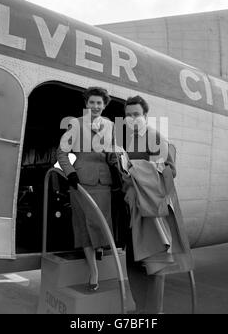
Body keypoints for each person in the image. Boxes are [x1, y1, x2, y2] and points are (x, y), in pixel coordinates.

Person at [122, 95, 176, 314]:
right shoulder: (128, 142)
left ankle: (153, 313)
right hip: (133, 209)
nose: (131, 119)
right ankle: (140, 308)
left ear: (145, 116)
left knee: (154, 263)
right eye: (127, 115)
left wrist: (135, 168)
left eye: (136, 114)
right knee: (133, 261)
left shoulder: (156, 138)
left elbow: (170, 171)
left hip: (152, 211)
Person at [57, 87, 114, 292]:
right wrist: (70, 173)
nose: (96, 106)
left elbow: (112, 153)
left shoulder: (110, 125)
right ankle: (94, 271)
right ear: (86, 104)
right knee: (83, 227)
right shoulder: (75, 123)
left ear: (104, 105)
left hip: (103, 182)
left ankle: (99, 249)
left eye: (99, 103)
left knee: (100, 223)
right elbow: (61, 152)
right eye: (92, 102)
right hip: (80, 182)